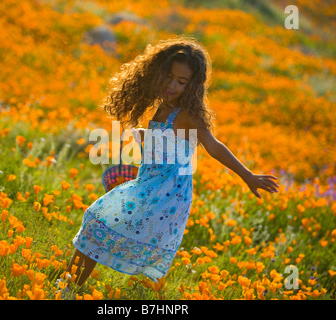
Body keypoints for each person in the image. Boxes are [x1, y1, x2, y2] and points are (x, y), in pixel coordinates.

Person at [64, 36, 279, 292]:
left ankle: (66, 289)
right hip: (150, 185)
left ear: (192, 85)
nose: (172, 85)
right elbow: (167, 142)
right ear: (157, 73)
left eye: (181, 82)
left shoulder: (188, 114)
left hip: (165, 195)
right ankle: (68, 288)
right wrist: (143, 135)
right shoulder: (162, 108)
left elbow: (214, 146)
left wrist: (248, 175)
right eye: (168, 77)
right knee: (96, 226)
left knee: (96, 223)